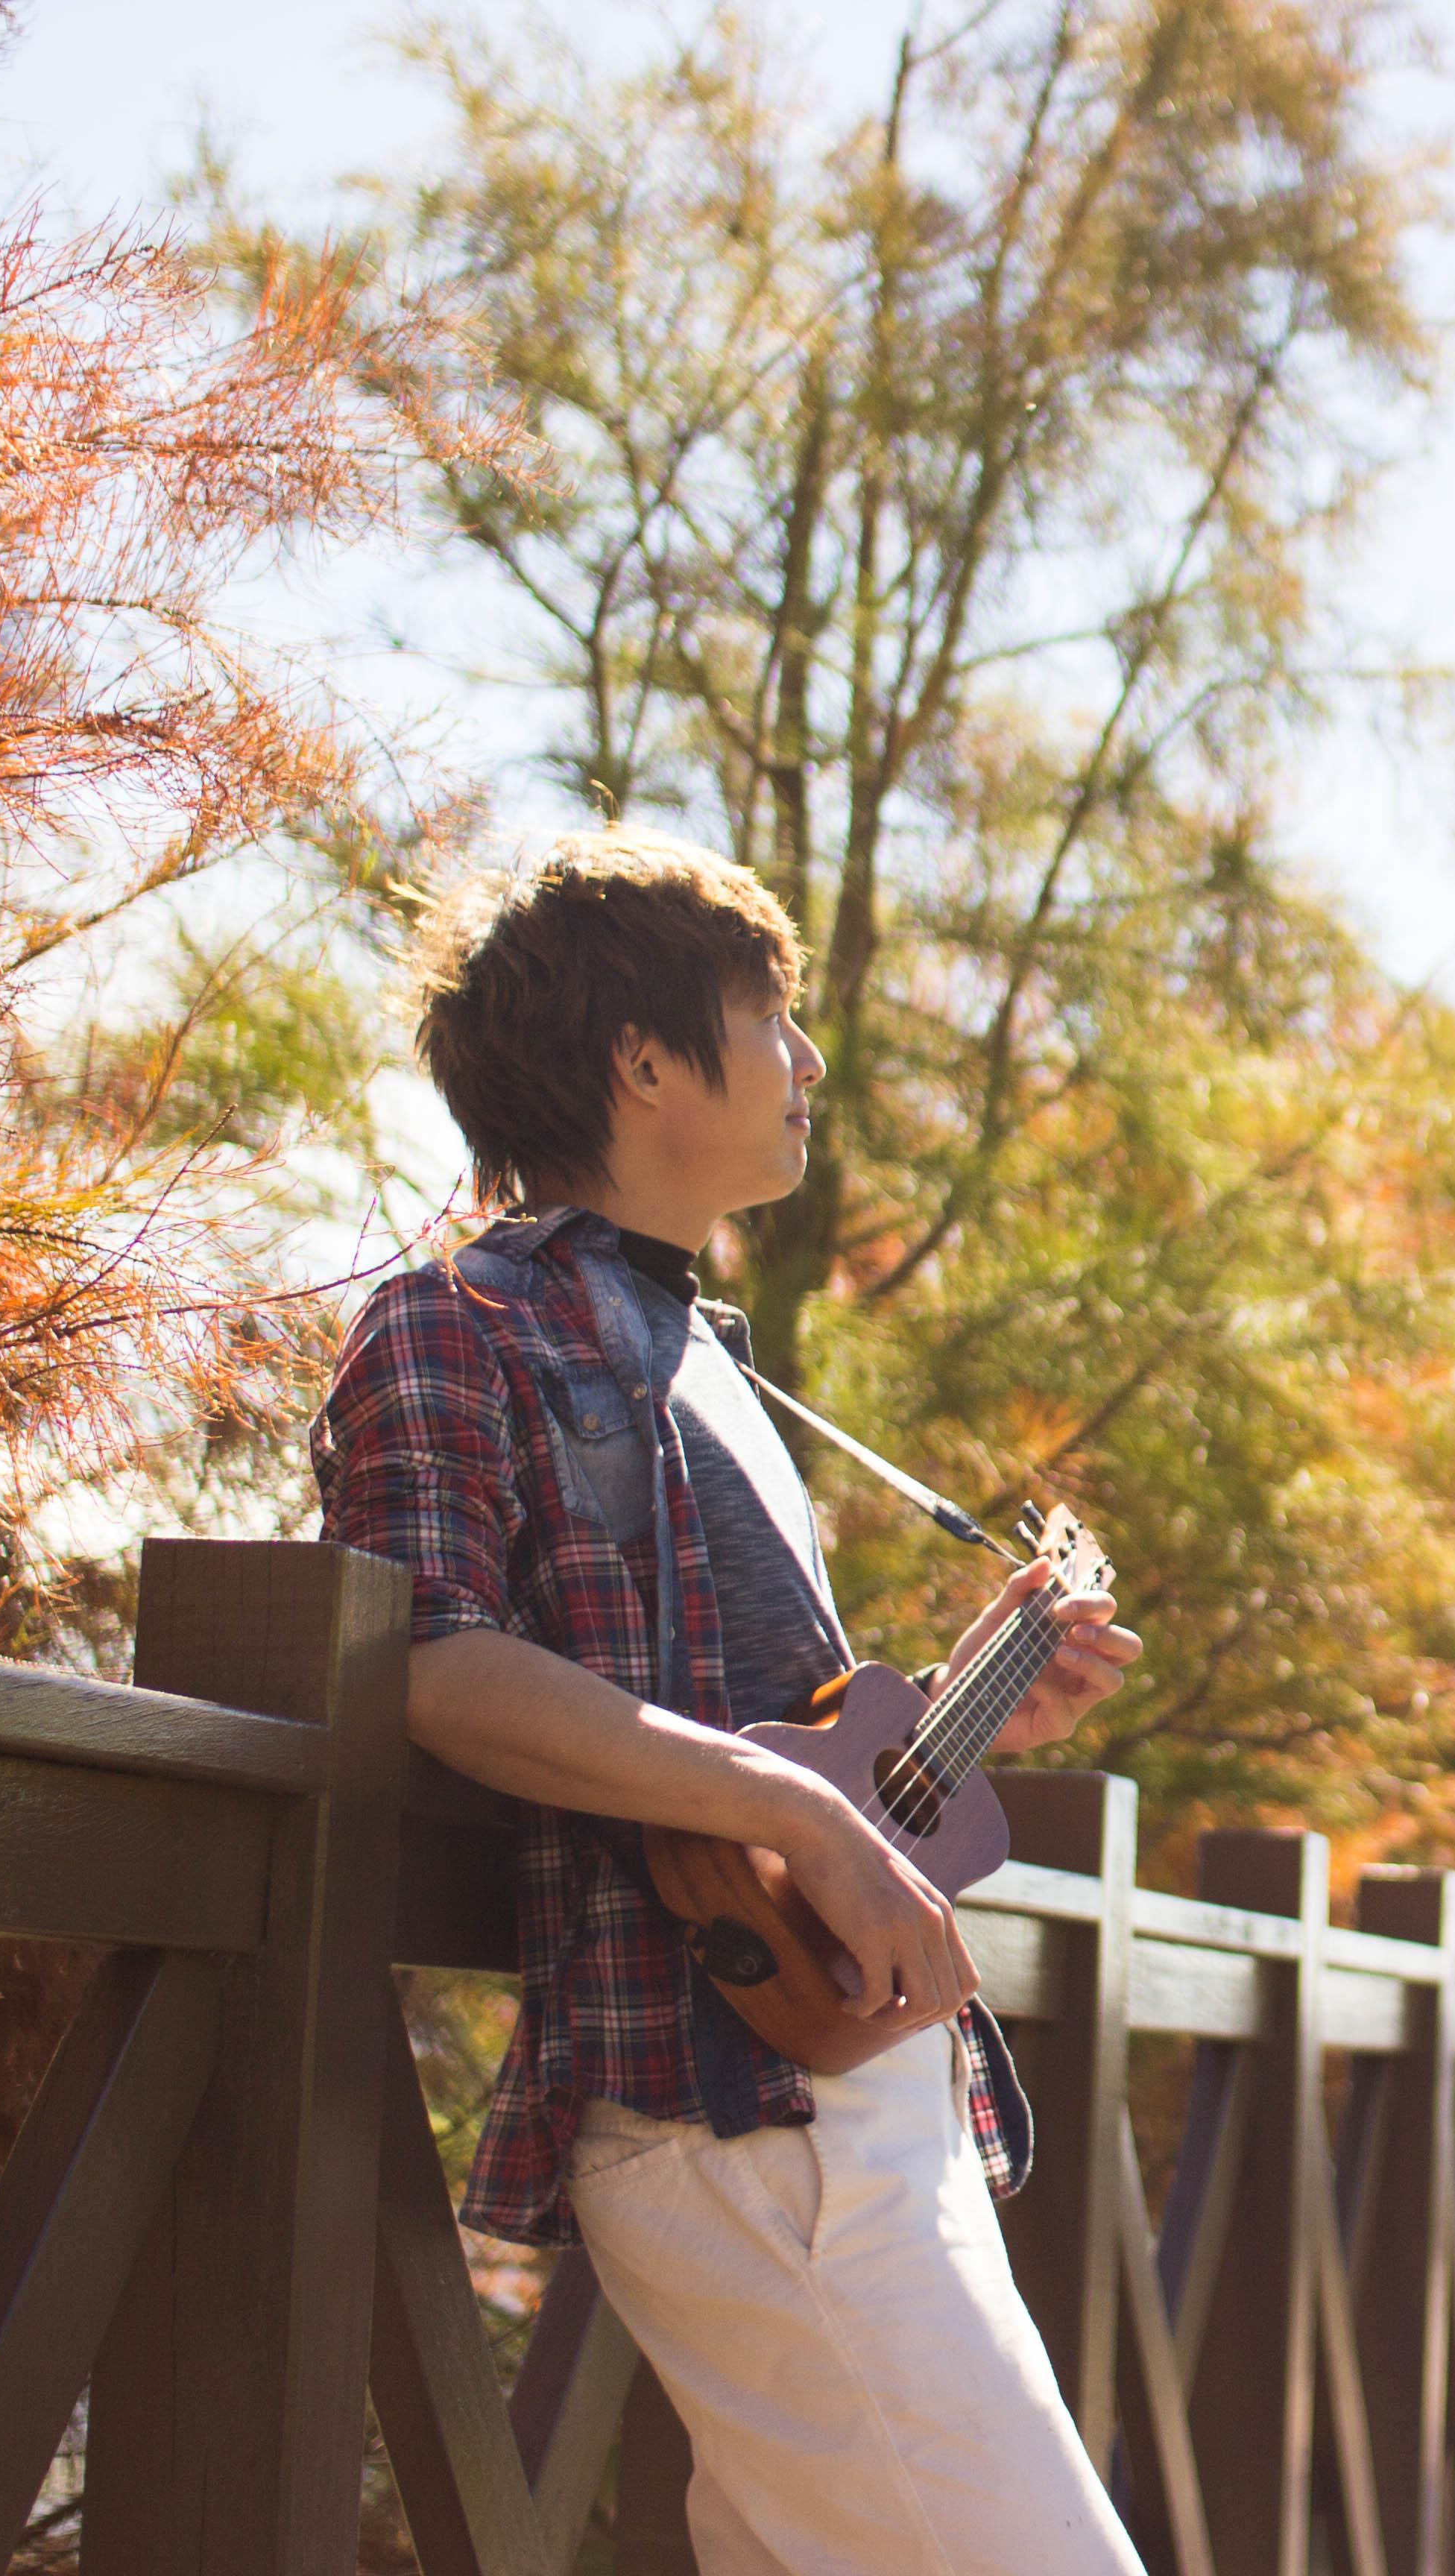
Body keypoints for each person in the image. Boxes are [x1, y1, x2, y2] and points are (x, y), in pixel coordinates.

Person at [312, 826, 1149, 2576]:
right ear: (642, 1061)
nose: (808, 1062)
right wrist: (797, 1809)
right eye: (771, 1017)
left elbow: (779, 1749)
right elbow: (435, 1663)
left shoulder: (711, 1354)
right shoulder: (449, 1326)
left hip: (861, 2103)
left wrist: (990, 1715)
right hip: (733, 2113)